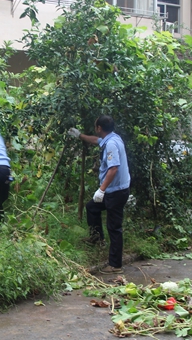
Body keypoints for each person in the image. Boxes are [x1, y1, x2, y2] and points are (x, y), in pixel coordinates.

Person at [68, 115, 131, 274]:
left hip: (115, 192)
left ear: (99, 128)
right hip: (114, 190)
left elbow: (113, 168)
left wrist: (101, 189)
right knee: (92, 208)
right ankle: (97, 238)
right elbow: (96, 140)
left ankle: (115, 264)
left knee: (114, 227)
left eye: (96, 127)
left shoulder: (111, 144)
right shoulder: (112, 138)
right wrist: (80, 136)